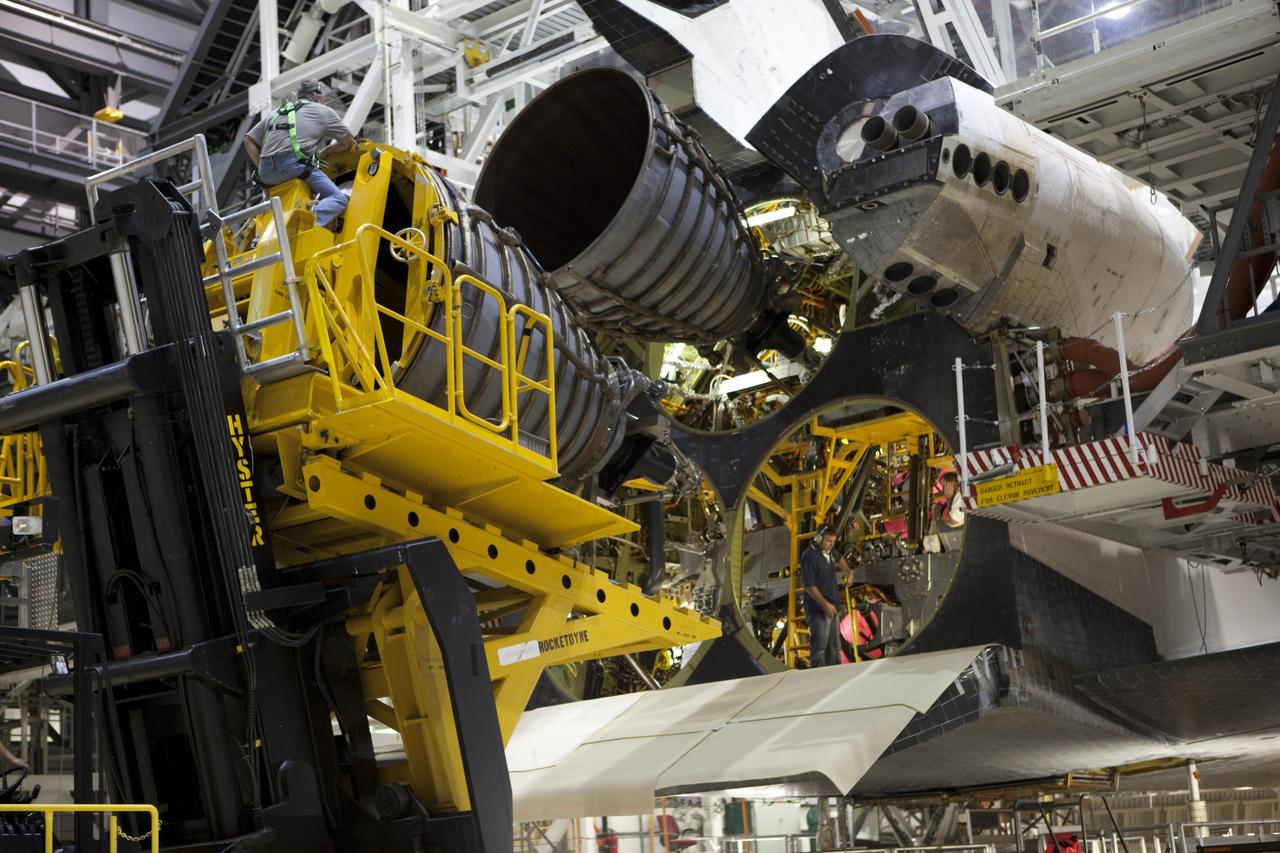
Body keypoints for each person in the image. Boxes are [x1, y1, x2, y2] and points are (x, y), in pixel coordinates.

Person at [244, 80, 355, 231]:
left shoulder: (276, 113)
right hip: (292, 167)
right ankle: (306, 222)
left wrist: (262, 168)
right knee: (338, 198)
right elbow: (348, 142)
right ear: (316, 96)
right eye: (324, 97)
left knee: (271, 209)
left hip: (266, 175)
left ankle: (261, 234)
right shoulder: (324, 112)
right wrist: (327, 151)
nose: (325, 101)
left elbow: (248, 140)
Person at [799, 525, 852, 668]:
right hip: (818, 610)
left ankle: (835, 677)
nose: (831, 544)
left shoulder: (829, 551)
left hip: (832, 607)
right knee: (820, 650)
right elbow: (809, 586)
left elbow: (839, 557)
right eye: (829, 541)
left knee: (835, 648)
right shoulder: (809, 557)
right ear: (818, 538)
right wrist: (824, 604)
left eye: (833, 541)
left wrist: (849, 571)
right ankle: (820, 680)